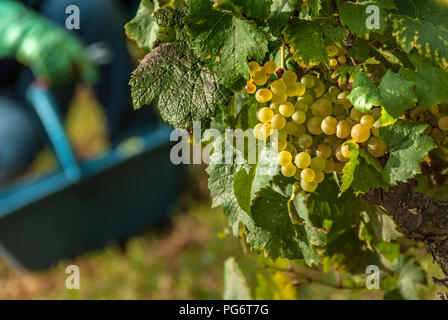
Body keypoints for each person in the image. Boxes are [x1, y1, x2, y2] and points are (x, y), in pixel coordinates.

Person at [0, 0, 156, 184]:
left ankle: (145, 149)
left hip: (39, 46)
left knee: (89, 9)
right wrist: (21, 34)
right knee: (12, 139)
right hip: (9, 101)